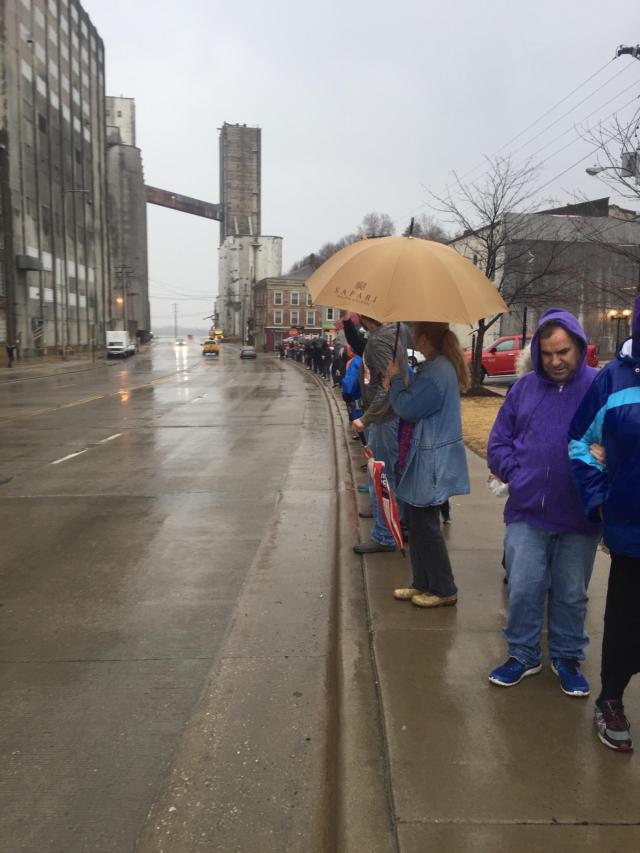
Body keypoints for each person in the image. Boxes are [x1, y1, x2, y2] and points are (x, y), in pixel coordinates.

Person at [487, 309, 601, 694]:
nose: (556, 361)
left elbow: (621, 439)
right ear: (537, 351)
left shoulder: (598, 386)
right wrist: (516, 475)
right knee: (524, 585)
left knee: (571, 591)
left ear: (579, 348)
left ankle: (567, 655)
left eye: (564, 352)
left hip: (579, 515)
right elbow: (498, 441)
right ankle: (523, 653)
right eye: (548, 353)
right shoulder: (524, 388)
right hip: (526, 511)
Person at [569, 295, 640, 751]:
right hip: (631, 527)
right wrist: (598, 499)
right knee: (625, 619)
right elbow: (579, 442)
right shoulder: (614, 379)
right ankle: (611, 698)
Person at [385, 322, 470, 607]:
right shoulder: (435, 367)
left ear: (423, 338)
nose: (411, 336)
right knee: (417, 524)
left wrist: (395, 380)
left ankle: (444, 588)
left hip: (430, 459)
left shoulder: (437, 372)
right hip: (423, 455)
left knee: (426, 526)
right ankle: (422, 582)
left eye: (414, 332)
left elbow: (407, 407)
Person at [349, 315, 411, 554]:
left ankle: (385, 534)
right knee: (393, 472)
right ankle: (398, 525)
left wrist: (366, 418)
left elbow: (389, 383)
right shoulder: (396, 331)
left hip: (383, 419)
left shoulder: (378, 341)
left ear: (366, 317)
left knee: (382, 476)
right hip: (392, 415)